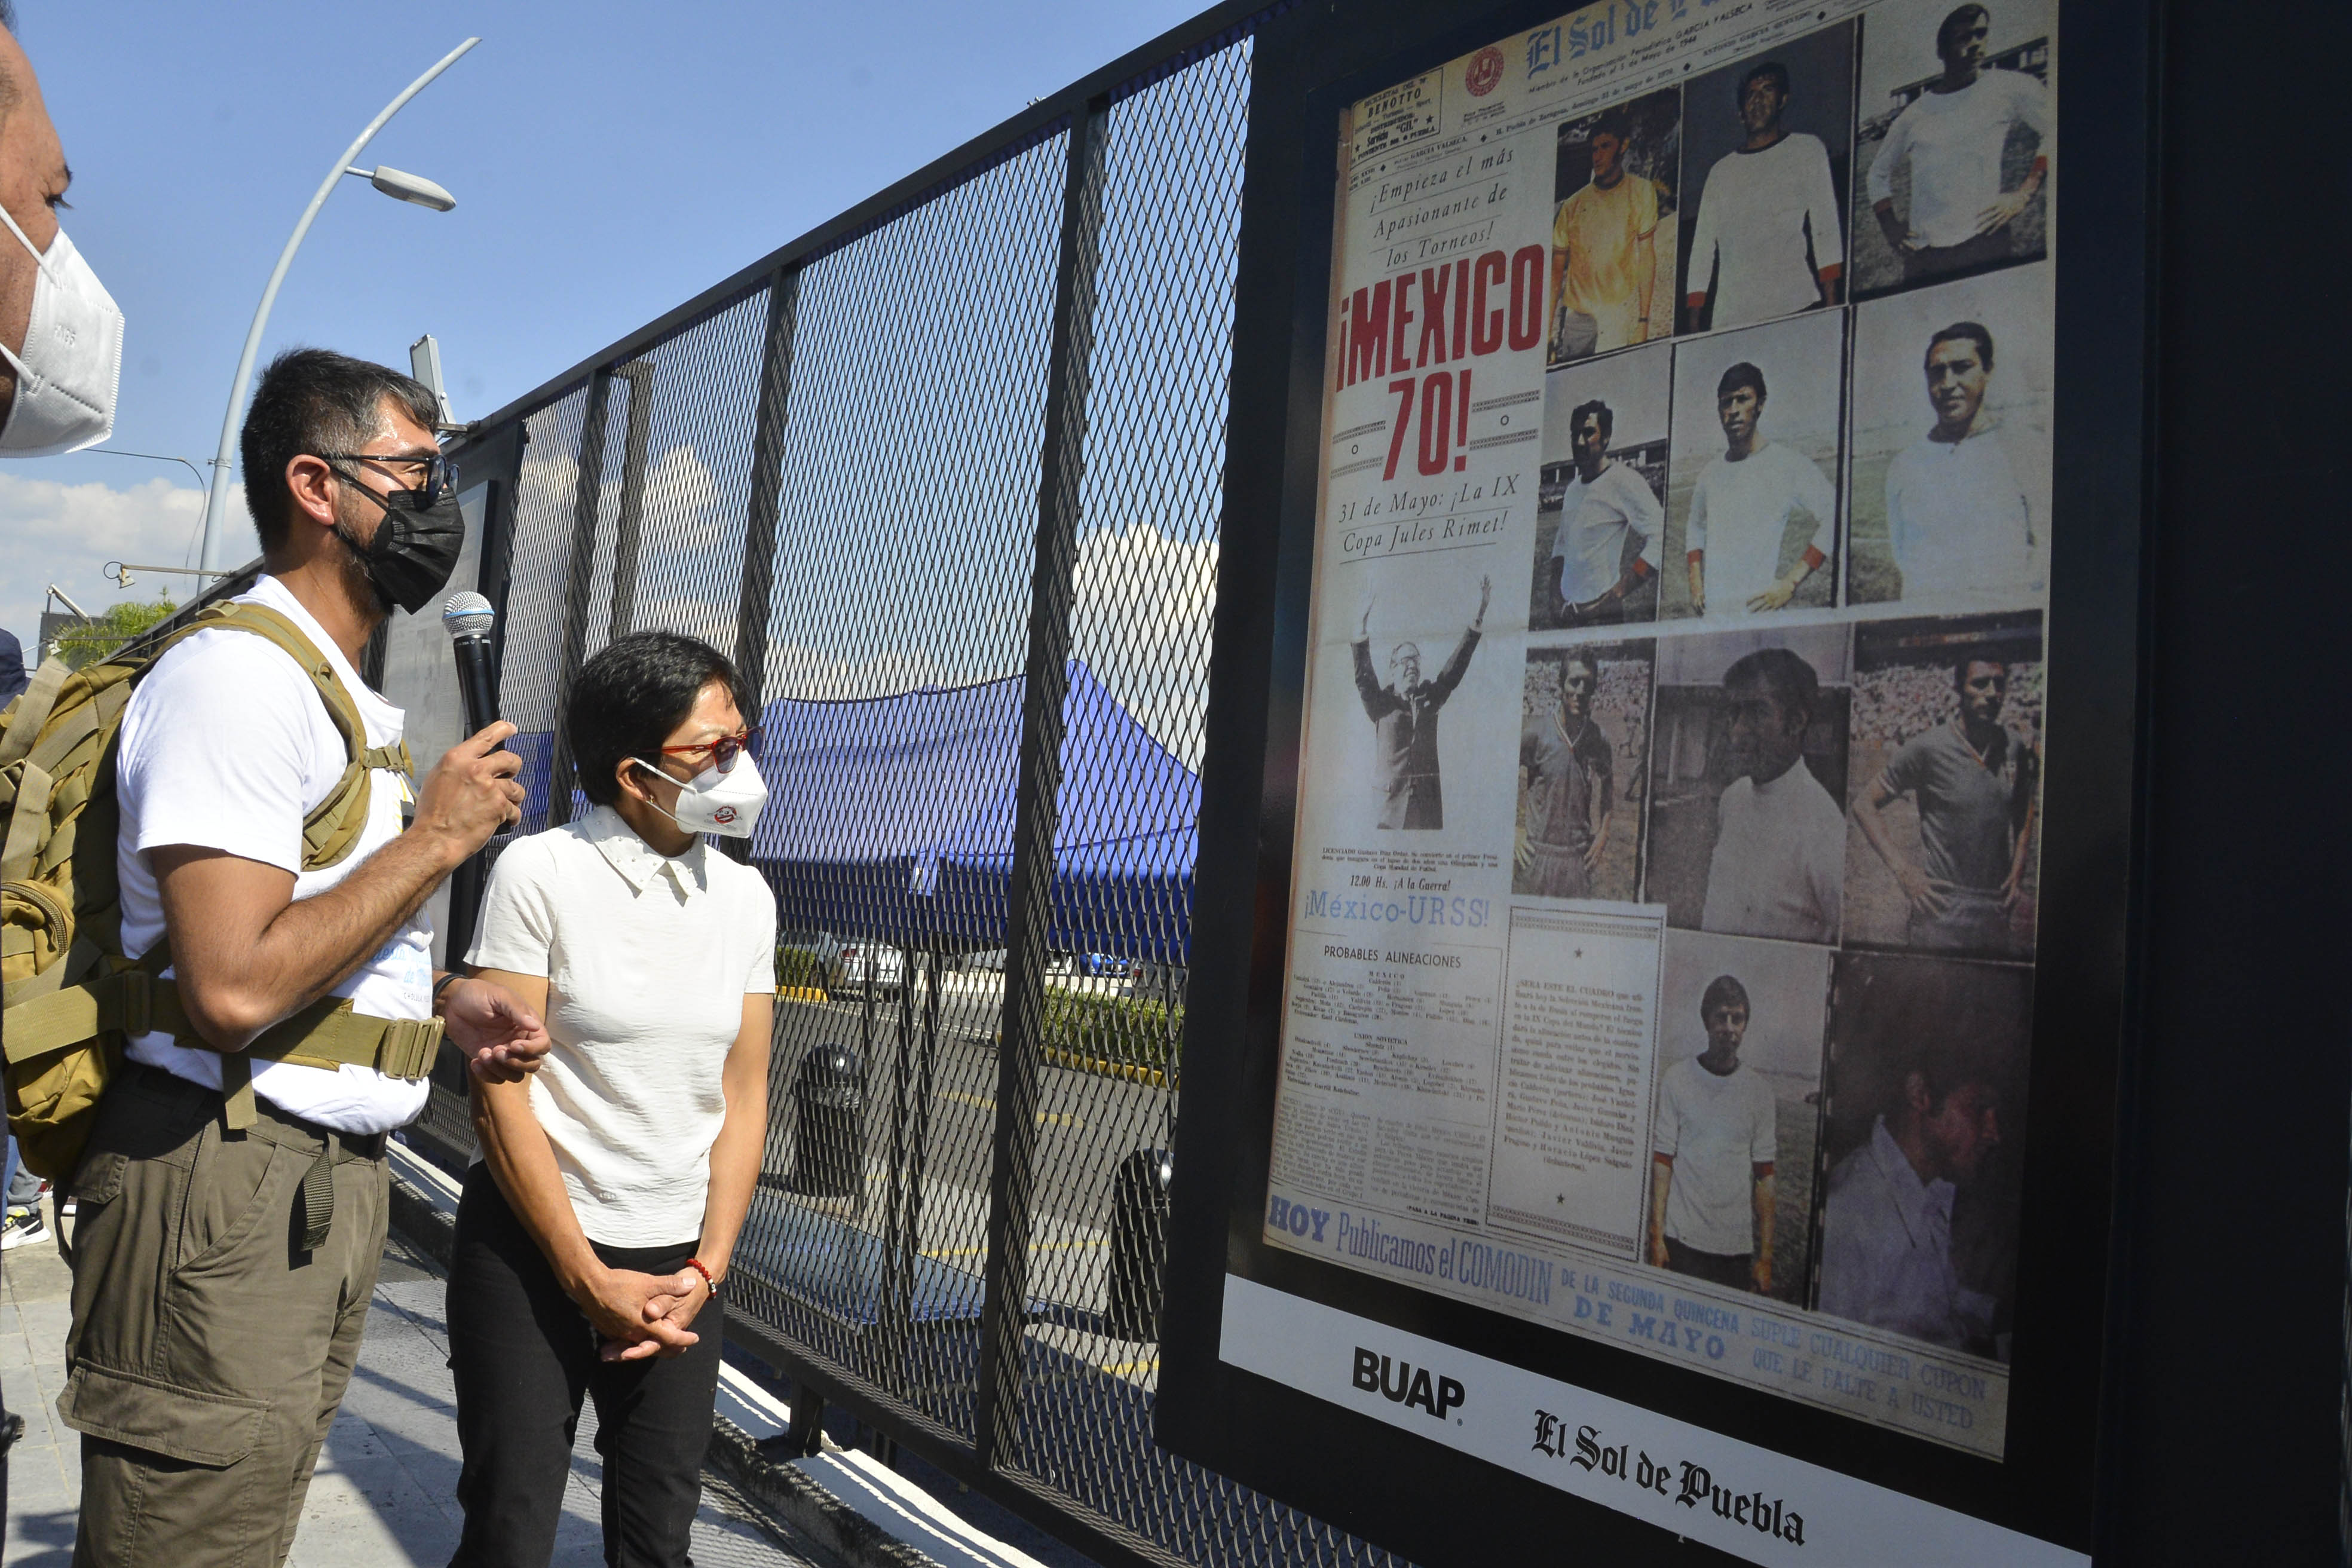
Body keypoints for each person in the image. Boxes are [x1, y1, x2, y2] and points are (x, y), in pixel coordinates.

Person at [59, 349, 550, 1567]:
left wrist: (435, 1006)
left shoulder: (329, 687)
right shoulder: (238, 676)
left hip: (305, 1186)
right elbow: (230, 986)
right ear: (316, 486)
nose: (439, 500)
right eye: (416, 469)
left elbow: (301, 940)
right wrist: (437, 839)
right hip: (217, 1174)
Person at [451, 630, 777, 1566]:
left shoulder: (746, 900)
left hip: (681, 1268)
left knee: (657, 1537)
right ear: (635, 773)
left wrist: (708, 1270)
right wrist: (586, 1280)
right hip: (534, 1249)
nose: (739, 766)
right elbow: (499, 1098)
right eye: (713, 749)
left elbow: (743, 1093)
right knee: (509, 1530)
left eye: (743, 741)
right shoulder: (541, 873)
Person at [1817, 1046, 2002, 1351]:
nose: (1994, 1133)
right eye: (1978, 1108)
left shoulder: (1930, 1187)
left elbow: (1931, 1301)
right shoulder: (1848, 1211)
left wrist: (1995, 1314)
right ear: (1920, 1096)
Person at [1853, 657, 2038, 950]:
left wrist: (2018, 870)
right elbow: (1864, 804)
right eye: (1980, 684)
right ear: (1957, 688)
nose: (1991, 693)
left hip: (1996, 908)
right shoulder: (1928, 748)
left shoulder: (2014, 746)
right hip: (1941, 909)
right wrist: (1904, 871)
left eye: (1999, 684)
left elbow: (2025, 806)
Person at [1866, 4, 2051, 285]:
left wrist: (2023, 194)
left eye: (1981, 34)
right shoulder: (1914, 115)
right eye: (1964, 38)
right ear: (1942, 51)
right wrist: (1891, 228)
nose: (1976, 44)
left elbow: (2055, 128)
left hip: (1986, 241)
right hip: (1925, 255)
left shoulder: (2010, 87)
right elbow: (1876, 174)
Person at [1883, 321, 2039, 602]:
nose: (1947, 384)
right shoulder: (1905, 466)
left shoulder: (2025, 449)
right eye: (1937, 372)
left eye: (1962, 367)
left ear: (1988, 371)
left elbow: (2047, 552)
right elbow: (1902, 555)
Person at [1684, 61, 1844, 332]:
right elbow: (1702, 251)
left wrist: (1832, 309)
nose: (1757, 101)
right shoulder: (1720, 172)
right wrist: (1694, 326)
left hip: (1796, 306)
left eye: (1767, 90)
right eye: (1750, 94)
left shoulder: (1807, 150)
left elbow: (1826, 230)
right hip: (1732, 318)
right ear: (1740, 112)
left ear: (1783, 100)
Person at [1700, 646, 1845, 942]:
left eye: (1756, 713)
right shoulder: (1732, 799)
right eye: (1735, 713)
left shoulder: (1825, 825)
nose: (1737, 731)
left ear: (1795, 721)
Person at [1648, 975, 1778, 1293]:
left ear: (1746, 1025)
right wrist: (1657, 1236)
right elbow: (1663, 1162)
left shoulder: (1760, 1092)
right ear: (1706, 1020)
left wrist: (1765, 1258)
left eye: (1738, 1018)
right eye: (1721, 1017)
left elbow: (1765, 1177)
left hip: (1734, 1251)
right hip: (1681, 1242)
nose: (1729, 1028)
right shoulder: (1677, 1079)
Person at [1683, 362, 1836, 617]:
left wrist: (1791, 581)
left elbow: (1836, 515)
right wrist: (1695, 579)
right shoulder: (1710, 473)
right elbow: (1695, 526)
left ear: (1760, 404)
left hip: (1759, 616)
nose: (1733, 410)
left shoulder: (1786, 464)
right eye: (1726, 402)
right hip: (1713, 618)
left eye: (1743, 399)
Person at [1352, 576, 1489, 829]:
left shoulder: (1430, 698)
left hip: (1427, 807)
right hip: (1389, 810)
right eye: (1405, 661)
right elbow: (1363, 677)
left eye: (1415, 660)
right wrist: (1360, 624)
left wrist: (1478, 616)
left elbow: (1453, 672)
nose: (1412, 665)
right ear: (1392, 670)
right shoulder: (1381, 703)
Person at [1549, 108, 1665, 361]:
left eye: (1605, 146)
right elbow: (1556, 273)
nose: (1598, 156)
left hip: (1615, 314)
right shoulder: (1573, 205)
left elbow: (1647, 255)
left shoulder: (1641, 192)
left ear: (1623, 146)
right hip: (1577, 317)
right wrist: (1547, 334)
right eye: (1594, 149)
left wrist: (1643, 320)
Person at [1548, 399, 1661, 626]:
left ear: (1607, 437)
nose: (1580, 442)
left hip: (1600, 615)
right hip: (1566, 613)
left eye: (1589, 433)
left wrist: (1617, 595)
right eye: (1575, 434)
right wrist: (1553, 596)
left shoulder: (1623, 480)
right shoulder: (1572, 489)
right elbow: (1561, 544)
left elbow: (1660, 537)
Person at [1516, 653, 1614, 898]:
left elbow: (1608, 783)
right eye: (1574, 682)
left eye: (1588, 684)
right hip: (1538, 854)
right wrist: (1513, 829)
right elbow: (1499, 773)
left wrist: (1603, 833)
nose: (1580, 691)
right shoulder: (1536, 733)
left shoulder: (1598, 739)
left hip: (1577, 858)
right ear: (1561, 684)